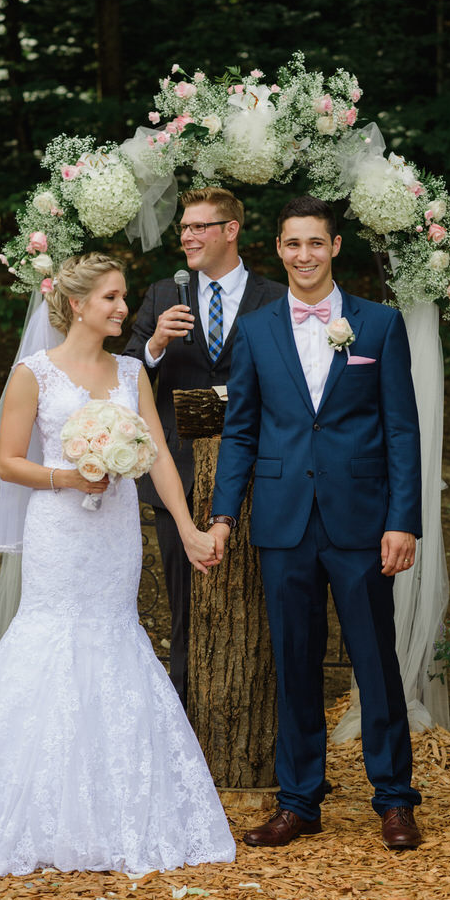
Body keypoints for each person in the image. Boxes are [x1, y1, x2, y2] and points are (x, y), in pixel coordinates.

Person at [0, 253, 235, 878]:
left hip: (115, 537)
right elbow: (9, 461)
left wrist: (186, 529)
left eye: (124, 297)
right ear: (77, 305)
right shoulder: (34, 374)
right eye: (111, 299)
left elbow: (155, 456)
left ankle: (109, 802)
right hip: (61, 529)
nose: (124, 309)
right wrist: (69, 475)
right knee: (49, 640)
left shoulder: (133, 372)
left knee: (114, 636)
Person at [207, 196, 424, 850]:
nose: (303, 255)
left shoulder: (378, 326)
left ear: (334, 248)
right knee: (293, 664)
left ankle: (393, 799)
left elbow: (400, 431)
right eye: (292, 244)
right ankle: (299, 800)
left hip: (360, 522)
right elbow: (240, 431)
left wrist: (402, 520)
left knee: (374, 663)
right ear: (277, 248)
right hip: (282, 523)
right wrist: (222, 514)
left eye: (315, 243)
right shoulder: (256, 330)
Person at [124, 186, 284, 706]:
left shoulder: (276, 297)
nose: (187, 237)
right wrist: (154, 345)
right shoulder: (160, 295)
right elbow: (125, 373)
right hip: (178, 473)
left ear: (230, 230)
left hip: (261, 472)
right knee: (184, 605)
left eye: (198, 227)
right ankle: (184, 717)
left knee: (260, 600)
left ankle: (259, 710)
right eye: (184, 228)